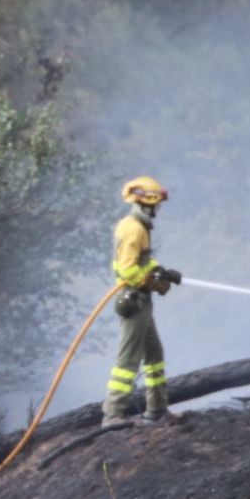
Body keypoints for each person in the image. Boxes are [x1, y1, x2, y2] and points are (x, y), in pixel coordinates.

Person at [102, 176, 182, 427]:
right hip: (134, 301)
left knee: (154, 354)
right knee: (128, 359)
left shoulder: (138, 226)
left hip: (142, 301)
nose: (158, 208)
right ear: (147, 203)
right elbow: (128, 271)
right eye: (156, 203)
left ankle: (157, 409)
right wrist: (157, 283)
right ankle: (113, 414)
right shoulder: (134, 228)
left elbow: (143, 263)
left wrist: (163, 271)